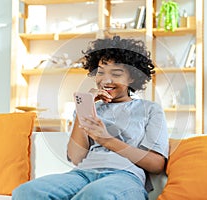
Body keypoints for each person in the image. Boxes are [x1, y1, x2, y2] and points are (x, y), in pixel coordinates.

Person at [12, 36, 169, 200]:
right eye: (100, 72)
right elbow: (76, 157)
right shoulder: (90, 108)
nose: (106, 80)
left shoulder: (149, 109)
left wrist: (106, 139)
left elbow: (156, 164)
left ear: (132, 78)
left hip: (125, 176)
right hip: (83, 174)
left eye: (116, 73)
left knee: (95, 194)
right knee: (25, 192)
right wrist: (85, 107)